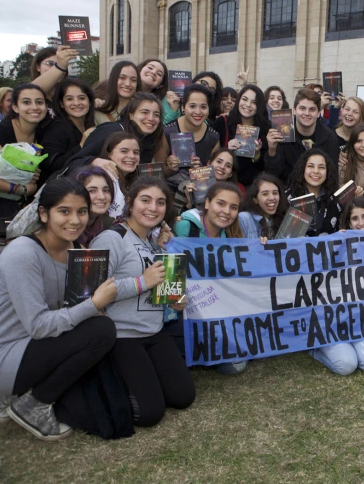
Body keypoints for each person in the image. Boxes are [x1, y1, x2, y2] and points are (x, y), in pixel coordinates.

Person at [0, 178, 117, 440]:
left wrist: (140, 283)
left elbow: (77, 305)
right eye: (64, 211)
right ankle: (33, 403)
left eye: (81, 212)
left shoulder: (78, 249)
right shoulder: (22, 254)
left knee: (97, 326)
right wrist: (93, 304)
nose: (75, 220)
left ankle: (12, 394)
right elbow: (40, 325)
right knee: (101, 330)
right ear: (43, 213)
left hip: (30, 345)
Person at [91, 176, 195, 426]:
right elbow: (91, 293)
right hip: (121, 336)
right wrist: (142, 282)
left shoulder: (153, 242)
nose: (153, 208)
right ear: (130, 202)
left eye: (160, 203)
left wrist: (174, 300)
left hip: (154, 331)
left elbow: (158, 286)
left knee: (183, 397)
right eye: (145, 200)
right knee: (149, 414)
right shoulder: (111, 238)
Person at [170, 181, 247, 374]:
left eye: (233, 207)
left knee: (236, 365)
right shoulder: (184, 227)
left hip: (215, 309)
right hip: (182, 312)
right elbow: (169, 273)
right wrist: (175, 298)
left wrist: (260, 247)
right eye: (220, 204)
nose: (226, 211)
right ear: (207, 203)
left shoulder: (232, 235)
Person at [309, 197, 364, 375]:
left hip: (361, 319)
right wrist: (334, 245)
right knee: (346, 365)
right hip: (332, 318)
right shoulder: (337, 243)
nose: (361, 223)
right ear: (348, 223)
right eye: (355, 219)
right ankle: (315, 349)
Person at [0, 84, 47, 241]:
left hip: (17, 213)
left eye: (39, 102)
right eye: (26, 102)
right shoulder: (0, 132)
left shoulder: (44, 131)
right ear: (15, 107)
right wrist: (20, 189)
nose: (34, 107)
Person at [66, 92, 168, 178]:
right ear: (131, 115)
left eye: (156, 115)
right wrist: (94, 161)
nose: (151, 118)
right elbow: (72, 164)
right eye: (145, 112)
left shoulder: (148, 141)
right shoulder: (111, 131)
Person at [263, 88, 340, 183]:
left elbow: (332, 174)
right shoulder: (282, 133)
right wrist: (272, 150)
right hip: (289, 190)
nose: (307, 113)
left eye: (312, 109)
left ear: (318, 112)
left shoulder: (329, 137)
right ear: (294, 110)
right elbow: (273, 174)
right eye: (302, 108)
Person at [164, 84, 221, 192]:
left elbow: (214, 177)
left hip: (199, 194)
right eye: (192, 106)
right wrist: (171, 169)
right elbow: (159, 172)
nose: (198, 112)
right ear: (183, 108)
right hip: (169, 194)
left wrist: (200, 171)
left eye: (203, 107)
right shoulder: (167, 131)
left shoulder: (213, 138)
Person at [39, 77, 96, 180]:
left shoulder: (90, 125)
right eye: (69, 99)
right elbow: (52, 167)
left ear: (90, 101)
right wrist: (81, 145)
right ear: (61, 104)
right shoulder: (56, 129)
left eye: (82, 98)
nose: (76, 103)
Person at [213, 84, 267, 189]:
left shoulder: (265, 128)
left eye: (254, 102)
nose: (248, 105)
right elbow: (210, 157)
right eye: (245, 99)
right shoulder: (222, 123)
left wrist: (256, 155)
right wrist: (226, 150)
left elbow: (264, 167)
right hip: (223, 184)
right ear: (238, 100)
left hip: (250, 187)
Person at [286, 149, 344, 235]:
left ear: (328, 172)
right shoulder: (287, 198)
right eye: (310, 166)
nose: (316, 171)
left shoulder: (335, 200)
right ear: (302, 169)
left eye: (321, 167)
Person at [180, 147, 239, 213]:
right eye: (219, 162)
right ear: (209, 163)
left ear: (231, 173)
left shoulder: (233, 195)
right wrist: (189, 204)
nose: (222, 167)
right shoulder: (187, 187)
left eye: (228, 166)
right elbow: (177, 218)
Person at [96, 132, 141, 218]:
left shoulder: (134, 181)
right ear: (109, 154)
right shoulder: (102, 180)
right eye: (124, 151)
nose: (132, 156)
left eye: (136, 152)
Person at [69, 165, 115, 247]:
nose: (102, 196)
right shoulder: (64, 225)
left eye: (106, 190)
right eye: (92, 191)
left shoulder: (109, 225)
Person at [238, 173, 289, 239]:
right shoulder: (244, 218)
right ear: (255, 199)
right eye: (265, 194)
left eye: (275, 193)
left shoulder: (285, 219)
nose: (271, 198)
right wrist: (256, 245)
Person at [95, 61, 140, 125]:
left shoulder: (142, 113)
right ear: (113, 79)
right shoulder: (98, 111)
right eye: (122, 78)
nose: (128, 84)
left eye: (133, 80)